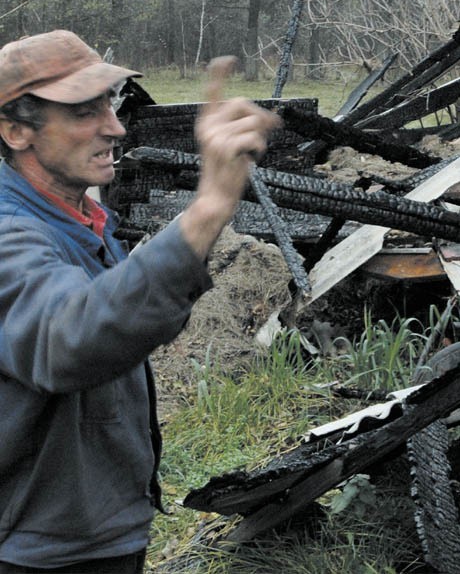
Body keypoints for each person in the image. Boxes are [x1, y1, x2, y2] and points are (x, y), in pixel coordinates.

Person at [0, 30, 279, 573]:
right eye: (84, 112)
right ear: (14, 131)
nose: (115, 127)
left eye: (110, 104)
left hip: (92, 524)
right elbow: (67, 340)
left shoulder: (77, 215)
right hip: (42, 550)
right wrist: (206, 211)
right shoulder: (9, 235)